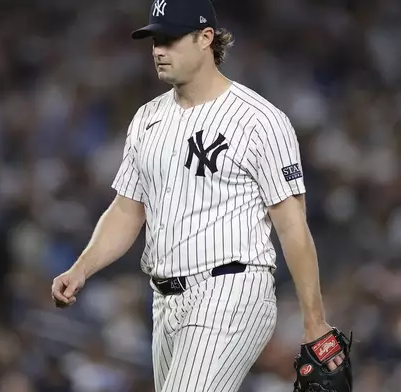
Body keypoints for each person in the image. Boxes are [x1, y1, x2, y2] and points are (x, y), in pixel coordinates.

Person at [51, 0, 345, 390]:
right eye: (155, 40)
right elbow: (126, 210)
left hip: (232, 289)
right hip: (165, 301)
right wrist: (81, 268)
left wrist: (314, 320)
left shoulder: (259, 120)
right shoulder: (147, 119)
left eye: (170, 39)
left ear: (206, 38)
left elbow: (292, 225)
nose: (158, 50)